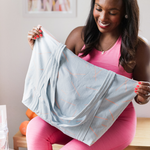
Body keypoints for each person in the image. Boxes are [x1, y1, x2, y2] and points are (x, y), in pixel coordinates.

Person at [26, 0, 150, 149]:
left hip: (115, 123)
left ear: (125, 13)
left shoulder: (138, 48)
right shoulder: (78, 36)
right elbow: (59, 77)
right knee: (34, 128)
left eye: (112, 13)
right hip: (75, 117)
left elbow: (140, 97)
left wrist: (143, 95)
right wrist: (38, 49)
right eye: (98, 9)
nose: (103, 18)